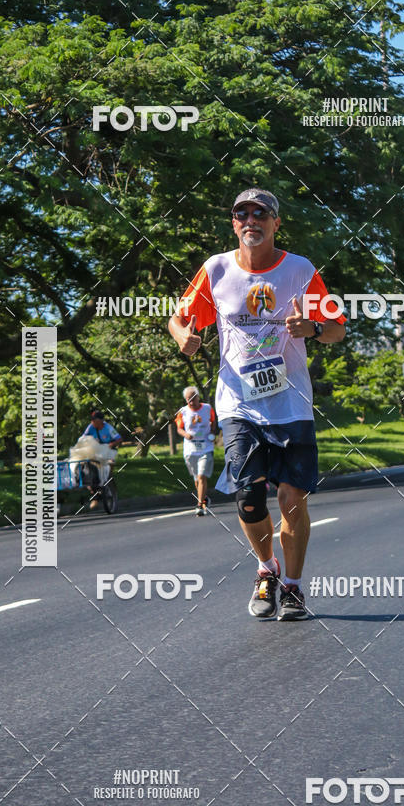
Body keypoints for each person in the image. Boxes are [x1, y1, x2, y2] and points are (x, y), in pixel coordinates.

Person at [168, 187, 345, 620]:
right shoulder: (217, 270)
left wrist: (313, 329)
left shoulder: (300, 270)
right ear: (233, 223)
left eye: (260, 212)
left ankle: (294, 586)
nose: (251, 219)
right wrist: (182, 338)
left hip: (292, 404)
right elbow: (178, 318)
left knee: (291, 500)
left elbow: (338, 327)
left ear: (275, 222)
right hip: (237, 403)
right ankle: (266, 569)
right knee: (248, 496)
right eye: (241, 213)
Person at [175, 387, 217, 516]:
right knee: (196, 478)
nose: (191, 401)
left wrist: (212, 433)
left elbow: (213, 422)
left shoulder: (207, 408)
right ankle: (203, 498)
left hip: (206, 447)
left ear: (198, 397)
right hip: (190, 449)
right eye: (188, 399)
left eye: (193, 398)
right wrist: (185, 434)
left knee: (201, 475)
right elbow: (179, 428)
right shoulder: (182, 412)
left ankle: (199, 505)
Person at [81, 410, 122, 506]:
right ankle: (94, 492)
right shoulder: (91, 427)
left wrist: (111, 445)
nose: (92, 422)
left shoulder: (108, 428)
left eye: (94, 420)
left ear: (100, 421)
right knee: (84, 467)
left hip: (108, 451)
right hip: (95, 452)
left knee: (109, 465)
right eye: (92, 420)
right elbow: (83, 438)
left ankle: (108, 485)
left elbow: (119, 439)